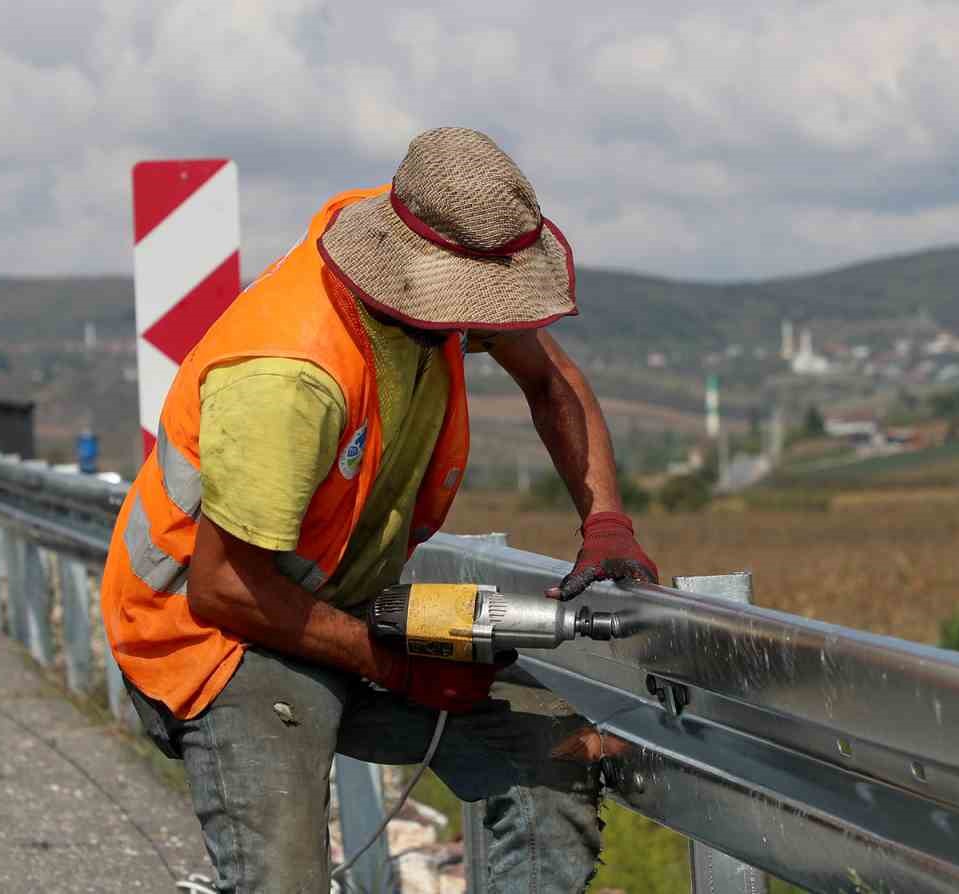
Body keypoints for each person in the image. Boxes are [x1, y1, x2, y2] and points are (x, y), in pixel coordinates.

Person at [100, 127, 659, 893]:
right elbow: (224, 588)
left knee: (544, 754)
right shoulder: (288, 375)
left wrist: (605, 524)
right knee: (284, 882)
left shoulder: (426, 244)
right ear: (419, 278)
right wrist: (396, 668)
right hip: (216, 640)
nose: (493, 322)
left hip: (335, 607)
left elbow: (550, 382)